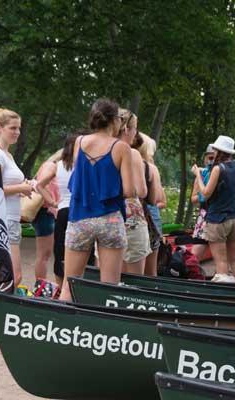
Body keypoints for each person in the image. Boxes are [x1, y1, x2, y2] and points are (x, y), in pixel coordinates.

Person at [59, 99, 134, 301]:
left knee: (69, 284)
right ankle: (103, 330)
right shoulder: (121, 148)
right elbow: (129, 190)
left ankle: (62, 326)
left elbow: (81, 178)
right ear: (115, 120)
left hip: (80, 218)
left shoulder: (79, 142)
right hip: (109, 218)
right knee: (109, 288)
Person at [0, 108, 33, 288]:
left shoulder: (8, 155)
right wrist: (21, 187)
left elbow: (4, 186)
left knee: (10, 275)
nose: (17, 132)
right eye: (13, 128)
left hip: (13, 217)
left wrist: (22, 188)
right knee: (13, 275)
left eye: (19, 128)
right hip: (2, 219)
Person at [36, 132, 93, 287]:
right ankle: (80, 287)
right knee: (85, 252)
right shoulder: (87, 165)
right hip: (82, 211)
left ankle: (61, 289)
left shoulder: (58, 166)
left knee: (61, 250)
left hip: (63, 211)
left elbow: (39, 185)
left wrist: (53, 202)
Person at [192, 135, 235, 282]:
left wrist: (198, 175)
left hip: (217, 220)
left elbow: (206, 194)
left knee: (221, 261)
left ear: (218, 150)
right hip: (233, 219)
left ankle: (225, 294)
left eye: (214, 149)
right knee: (234, 259)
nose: (213, 152)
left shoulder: (217, 169)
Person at [114, 109, 152, 274]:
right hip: (131, 219)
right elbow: (142, 191)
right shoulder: (133, 154)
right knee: (134, 279)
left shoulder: (103, 150)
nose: (136, 133)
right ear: (126, 129)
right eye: (135, 128)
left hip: (107, 217)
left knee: (110, 277)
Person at [134, 132, 165, 276]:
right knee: (150, 272)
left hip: (124, 220)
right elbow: (157, 198)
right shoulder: (150, 168)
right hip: (149, 219)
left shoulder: (121, 164)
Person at [30, 152, 60, 280]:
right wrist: (52, 202)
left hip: (49, 211)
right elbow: (40, 186)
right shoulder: (51, 166)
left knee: (46, 254)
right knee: (44, 254)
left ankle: (41, 285)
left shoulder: (56, 167)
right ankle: (40, 286)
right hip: (45, 211)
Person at [191, 145, 215, 261]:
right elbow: (194, 198)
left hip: (220, 217)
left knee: (223, 258)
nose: (211, 161)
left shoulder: (222, 171)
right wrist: (204, 194)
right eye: (209, 158)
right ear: (205, 158)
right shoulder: (200, 174)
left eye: (214, 158)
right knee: (194, 255)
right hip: (205, 217)